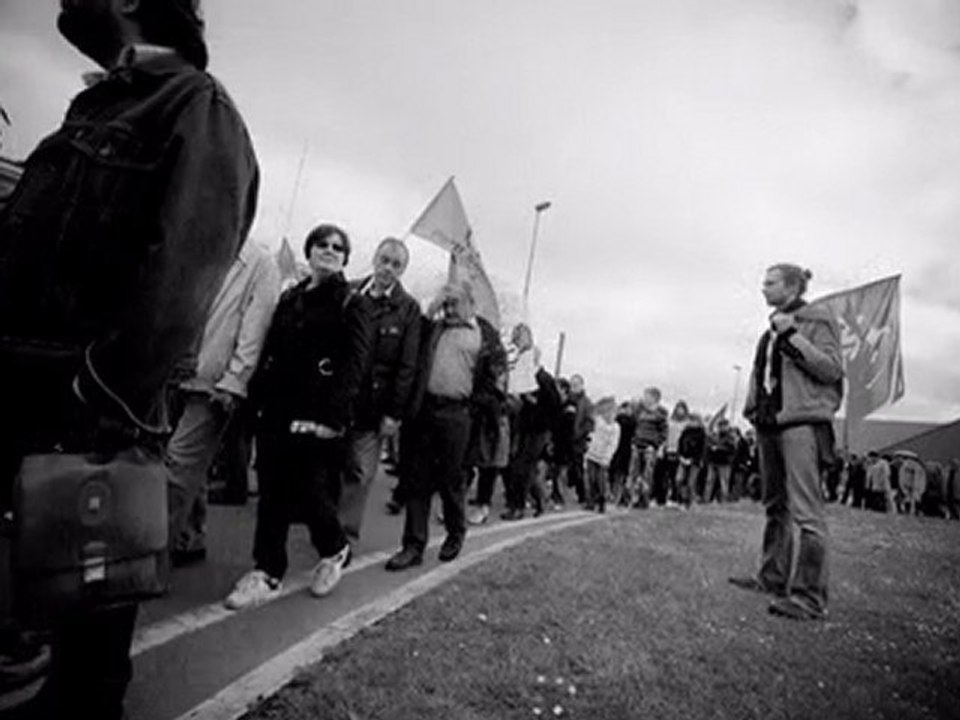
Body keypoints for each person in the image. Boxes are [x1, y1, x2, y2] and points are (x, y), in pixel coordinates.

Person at [0, 1, 259, 716]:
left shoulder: (197, 111)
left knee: (82, 672)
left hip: (84, 430)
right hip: (23, 403)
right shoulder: (99, 101)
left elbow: (179, 291)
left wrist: (94, 398)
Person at [225, 224, 372, 610]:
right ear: (310, 250)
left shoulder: (351, 303)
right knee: (271, 491)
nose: (329, 250)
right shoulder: (290, 299)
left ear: (345, 257)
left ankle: (335, 548)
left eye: (338, 247)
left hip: (318, 416)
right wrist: (253, 402)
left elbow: (354, 368)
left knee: (311, 493)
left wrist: (332, 420)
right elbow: (270, 353)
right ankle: (267, 570)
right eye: (321, 244)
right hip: (276, 411)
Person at [731, 264, 843, 622]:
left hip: (801, 424)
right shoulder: (771, 326)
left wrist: (792, 336)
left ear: (792, 287)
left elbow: (831, 369)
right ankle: (772, 578)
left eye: (770, 282)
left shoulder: (816, 319)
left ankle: (810, 597)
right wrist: (752, 409)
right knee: (775, 506)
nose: (762, 287)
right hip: (769, 425)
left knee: (807, 513)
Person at [166, 241, 279, 566]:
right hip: (176, 372)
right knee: (188, 466)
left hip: (213, 381)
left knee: (177, 466)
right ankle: (189, 538)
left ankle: (155, 552)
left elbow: (255, 328)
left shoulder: (261, 263)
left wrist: (234, 380)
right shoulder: (202, 247)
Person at [385, 280, 506, 571]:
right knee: (417, 480)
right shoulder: (433, 329)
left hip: (458, 416)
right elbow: (414, 336)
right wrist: (433, 307)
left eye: (455, 304)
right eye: (446, 304)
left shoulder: (486, 337)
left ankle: (455, 533)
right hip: (424, 412)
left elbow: (496, 386)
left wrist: (476, 408)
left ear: (470, 304)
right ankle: (413, 545)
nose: (450, 310)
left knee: (452, 481)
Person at [338, 238, 421, 547]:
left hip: (374, 407)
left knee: (360, 473)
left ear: (403, 270)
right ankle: (323, 525)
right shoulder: (349, 293)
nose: (388, 268)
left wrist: (394, 414)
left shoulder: (408, 309)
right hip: (339, 401)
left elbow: (407, 367)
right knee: (330, 465)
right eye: (384, 259)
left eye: (396, 264)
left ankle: (343, 536)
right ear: (374, 257)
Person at [501, 325, 561, 521]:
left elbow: (554, 408)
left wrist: (532, 402)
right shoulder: (521, 377)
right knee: (517, 466)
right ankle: (536, 501)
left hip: (538, 429)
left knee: (522, 467)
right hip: (523, 427)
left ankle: (517, 507)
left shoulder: (544, 379)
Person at [630, 387, 668, 508]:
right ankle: (634, 497)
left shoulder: (660, 415)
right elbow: (635, 426)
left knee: (647, 474)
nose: (644, 399)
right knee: (634, 473)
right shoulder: (640, 412)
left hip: (649, 447)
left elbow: (664, 433)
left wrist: (656, 446)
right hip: (637, 444)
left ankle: (644, 499)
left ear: (655, 398)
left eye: (647, 396)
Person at [584, 397, 620, 513]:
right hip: (592, 454)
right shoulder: (599, 421)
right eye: (608, 412)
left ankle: (601, 501)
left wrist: (607, 457)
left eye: (612, 413)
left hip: (603, 458)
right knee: (591, 479)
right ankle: (591, 501)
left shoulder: (615, 428)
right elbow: (592, 415)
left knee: (601, 480)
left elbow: (613, 444)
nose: (609, 415)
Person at [566, 374, 593, 505]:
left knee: (577, 469)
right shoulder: (566, 399)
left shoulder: (586, 402)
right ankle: (560, 493)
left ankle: (582, 494)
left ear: (582, 385)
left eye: (576, 384)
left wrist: (580, 433)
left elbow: (590, 422)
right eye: (572, 384)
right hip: (565, 438)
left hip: (578, 441)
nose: (573, 387)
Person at [676, 413, 707, 508]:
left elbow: (702, 450)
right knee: (679, 480)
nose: (692, 422)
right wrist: (681, 456)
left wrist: (693, 460)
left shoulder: (702, 434)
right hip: (683, 459)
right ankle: (681, 499)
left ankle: (689, 502)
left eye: (694, 420)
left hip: (695, 461)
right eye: (691, 419)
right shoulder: (685, 432)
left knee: (691, 482)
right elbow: (680, 444)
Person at [610, 402, 637, 506]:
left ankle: (617, 495)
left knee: (617, 473)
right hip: (623, 449)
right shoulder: (631, 422)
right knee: (622, 474)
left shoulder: (618, 420)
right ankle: (620, 496)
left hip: (619, 449)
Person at [704, 418, 736, 503]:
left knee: (724, 482)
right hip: (713, 461)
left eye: (724, 425)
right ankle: (706, 499)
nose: (722, 427)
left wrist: (718, 448)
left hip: (724, 462)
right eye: (720, 426)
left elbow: (732, 449)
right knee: (709, 481)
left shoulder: (730, 437)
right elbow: (709, 445)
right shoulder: (715, 436)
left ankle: (724, 500)